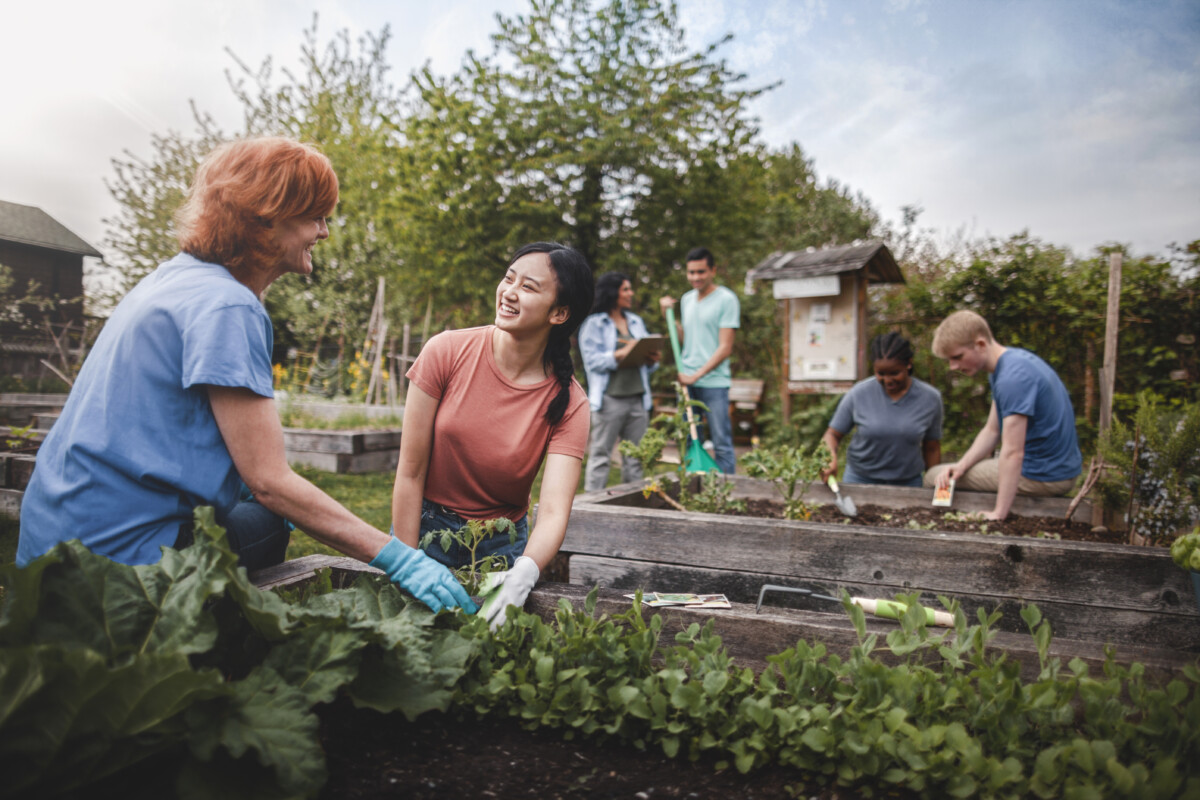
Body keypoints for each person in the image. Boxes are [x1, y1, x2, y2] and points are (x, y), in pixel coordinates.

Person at [17, 137, 474, 615]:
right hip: (118, 565)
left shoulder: (171, 279)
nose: (323, 232)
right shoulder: (228, 306)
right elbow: (270, 481)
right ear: (267, 216)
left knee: (250, 512)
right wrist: (401, 559)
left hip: (52, 545)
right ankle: (206, 645)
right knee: (271, 520)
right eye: (315, 216)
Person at [392, 241, 593, 628]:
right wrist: (406, 559)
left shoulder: (570, 404)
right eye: (508, 278)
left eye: (529, 287)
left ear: (560, 312)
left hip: (500, 548)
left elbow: (552, 511)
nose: (509, 292)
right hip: (423, 529)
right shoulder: (446, 351)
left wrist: (525, 573)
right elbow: (410, 471)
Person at [924, 310, 1081, 520]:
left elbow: (1013, 452)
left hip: (1045, 475)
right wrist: (960, 466)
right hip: (1056, 469)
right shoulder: (1009, 365)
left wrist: (999, 513)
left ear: (980, 344)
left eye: (957, 357)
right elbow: (992, 430)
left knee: (934, 476)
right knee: (950, 472)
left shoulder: (1012, 379)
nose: (953, 366)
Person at [820, 333, 943, 487]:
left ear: (909, 364)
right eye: (881, 374)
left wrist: (937, 488)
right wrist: (829, 458)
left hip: (908, 483)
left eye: (894, 373)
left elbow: (932, 448)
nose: (887, 380)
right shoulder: (859, 393)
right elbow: (832, 434)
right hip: (860, 480)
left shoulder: (930, 398)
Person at [658, 247, 740, 474]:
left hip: (713, 382)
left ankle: (726, 493)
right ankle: (694, 489)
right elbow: (685, 339)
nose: (695, 277)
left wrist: (697, 374)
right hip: (687, 381)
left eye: (701, 272)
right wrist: (669, 317)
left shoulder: (726, 299)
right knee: (690, 440)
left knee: (721, 441)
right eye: (691, 272)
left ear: (713, 270)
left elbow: (725, 347)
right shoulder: (686, 299)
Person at [578, 272, 660, 491]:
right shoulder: (594, 324)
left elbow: (647, 362)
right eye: (626, 289)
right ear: (612, 292)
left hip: (638, 400)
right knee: (601, 455)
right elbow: (592, 361)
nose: (630, 293)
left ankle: (632, 507)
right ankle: (593, 506)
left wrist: (652, 359)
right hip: (609, 401)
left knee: (635, 458)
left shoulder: (635, 321)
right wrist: (621, 353)